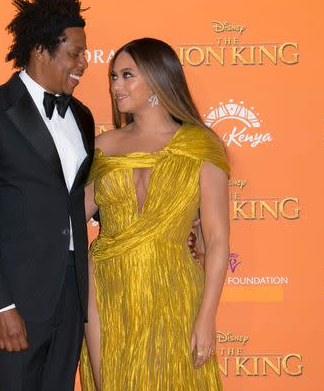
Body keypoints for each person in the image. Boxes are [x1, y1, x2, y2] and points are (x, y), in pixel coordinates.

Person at [0, 0, 94, 390]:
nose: (84, 63)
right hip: (15, 295)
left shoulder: (81, 116)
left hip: (72, 291)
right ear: (40, 50)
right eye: (75, 53)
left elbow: (85, 198)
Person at [80, 38, 231, 390]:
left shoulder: (200, 146)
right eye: (114, 76)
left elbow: (218, 237)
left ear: (157, 78)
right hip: (105, 288)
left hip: (175, 289)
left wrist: (207, 317)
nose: (116, 85)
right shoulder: (102, 146)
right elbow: (68, 219)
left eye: (127, 75)